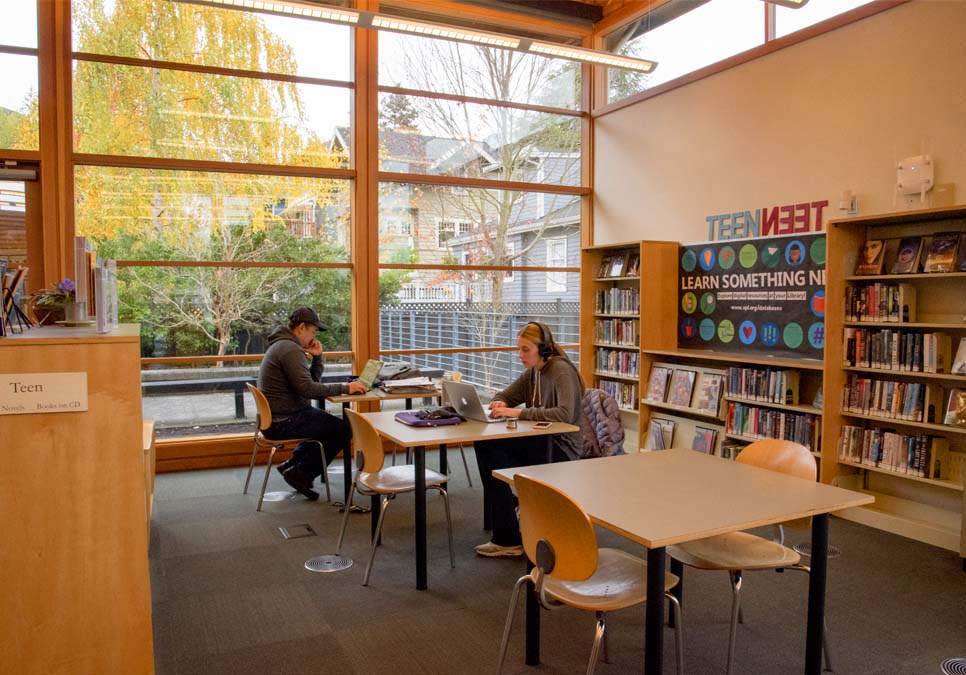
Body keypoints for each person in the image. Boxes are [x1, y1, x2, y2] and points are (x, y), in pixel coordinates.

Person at [474, 321, 585, 558]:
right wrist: (501, 402)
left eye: (525, 349)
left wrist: (518, 412)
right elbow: (507, 394)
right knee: (487, 446)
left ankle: (509, 533)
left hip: (562, 446)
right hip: (541, 440)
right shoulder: (534, 372)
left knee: (491, 451)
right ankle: (514, 513)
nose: (520, 355)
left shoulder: (560, 370)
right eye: (519, 349)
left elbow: (565, 414)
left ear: (543, 349)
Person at [257, 307, 367, 500]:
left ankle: (293, 465)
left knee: (329, 425)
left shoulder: (284, 346)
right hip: (283, 421)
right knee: (343, 430)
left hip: (282, 416)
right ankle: (301, 473)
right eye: (314, 331)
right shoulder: (290, 349)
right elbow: (308, 389)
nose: (314, 336)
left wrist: (317, 358)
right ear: (301, 327)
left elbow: (310, 383)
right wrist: (346, 388)